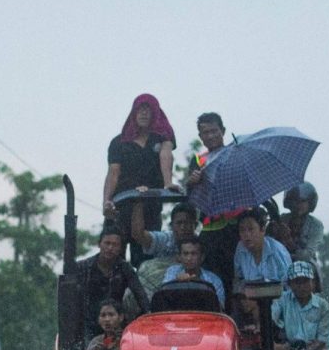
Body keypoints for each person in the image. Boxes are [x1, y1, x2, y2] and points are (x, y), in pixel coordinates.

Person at [103, 93, 177, 234]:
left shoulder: (162, 138)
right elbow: (113, 173)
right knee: (114, 248)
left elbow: (166, 155)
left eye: (148, 109)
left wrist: (168, 183)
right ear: (134, 112)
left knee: (146, 252)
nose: (144, 113)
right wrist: (106, 201)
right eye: (140, 109)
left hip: (150, 206)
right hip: (121, 204)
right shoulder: (119, 142)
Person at [184, 111, 245, 278]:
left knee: (238, 276)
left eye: (214, 131)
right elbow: (190, 195)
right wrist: (192, 182)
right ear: (200, 136)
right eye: (205, 132)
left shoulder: (236, 152)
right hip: (211, 229)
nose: (210, 136)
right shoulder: (198, 161)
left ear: (223, 131)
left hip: (237, 226)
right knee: (212, 276)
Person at [74, 223, 149, 335]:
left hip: (115, 325)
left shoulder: (125, 268)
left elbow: (140, 295)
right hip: (87, 325)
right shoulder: (83, 267)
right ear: (99, 244)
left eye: (115, 244)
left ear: (120, 248)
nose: (110, 248)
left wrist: (146, 316)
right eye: (107, 243)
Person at [273, 262, 329, 350]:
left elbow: (322, 340)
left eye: (305, 281)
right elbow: (271, 317)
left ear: (313, 283)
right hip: (288, 349)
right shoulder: (282, 300)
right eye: (297, 282)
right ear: (290, 284)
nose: (301, 286)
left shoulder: (323, 306)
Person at [233, 207, 292, 290]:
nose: (246, 234)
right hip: (250, 299)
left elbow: (289, 285)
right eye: (242, 230)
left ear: (263, 230)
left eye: (251, 229)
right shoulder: (240, 248)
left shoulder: (277, 251)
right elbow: (238, 279)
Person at [165, 237, 227, 309]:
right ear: (179, 257)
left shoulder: (214, 280)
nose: (189, 258)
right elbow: (165, 298)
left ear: (202, 257)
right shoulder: (172, 271)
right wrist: (176, 282)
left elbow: (220, 309)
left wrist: (198, 283)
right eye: (185, 254)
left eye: (193, 254)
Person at [279, 182, 324, 265]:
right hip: (280, 263)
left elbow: (307, 256)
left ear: (310, 202)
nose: (298, 205)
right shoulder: (282, 220)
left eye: (303, 201)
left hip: (306, 266)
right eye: (295, 201)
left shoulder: (316, 225)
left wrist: (290, 242)